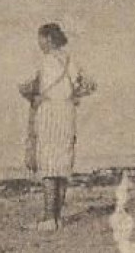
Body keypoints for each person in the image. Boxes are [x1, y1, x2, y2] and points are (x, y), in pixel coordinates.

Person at [19, 22, 95, 232]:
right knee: (62, 165)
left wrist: (36, 95)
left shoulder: (44, 62)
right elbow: (90, 85)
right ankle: (57, 218)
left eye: (41, 39)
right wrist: (73, 96)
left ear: (49, 39)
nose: (39, 43)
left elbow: (24, 85)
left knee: (49, 165)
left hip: (49, 112)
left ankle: (48, 218)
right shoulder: (71, 60)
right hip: (67, 113)